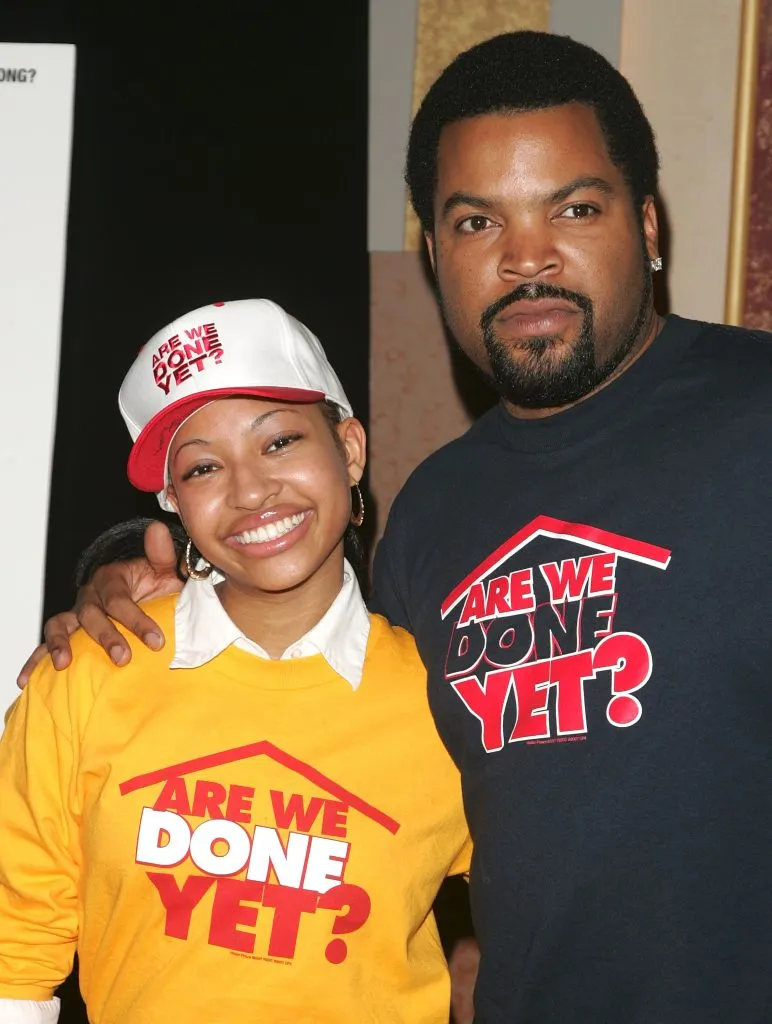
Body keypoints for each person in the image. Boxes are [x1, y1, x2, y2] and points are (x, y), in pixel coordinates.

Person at [19, 29, 772, 1023]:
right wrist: (116, 573)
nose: (525, 256)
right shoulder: (434, 516)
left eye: (573, 208)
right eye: (474, 223)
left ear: (646, 222)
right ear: (433, 254)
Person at [0, 298, 471, 1023]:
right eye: (204, 467)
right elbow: (16, 949)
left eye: (279, 442)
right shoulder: (89, 673)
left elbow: (563, 908)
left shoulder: (444, 699)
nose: (250, 491)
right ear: (173, 503)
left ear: (349, 449)